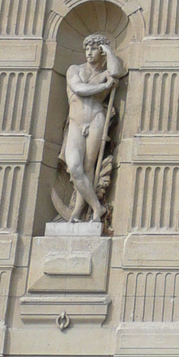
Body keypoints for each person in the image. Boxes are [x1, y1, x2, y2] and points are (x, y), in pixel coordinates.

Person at [57, 34, 126, 223]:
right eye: (86, 48)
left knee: (88, 168)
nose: (89, 52)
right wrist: (104, 86)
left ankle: (78, 214)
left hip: (96, 119)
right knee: (75, 168)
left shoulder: (105, 72)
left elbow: (116, 71)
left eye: (94, 48)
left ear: (101, 52)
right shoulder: (75, 70)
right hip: (76, 123)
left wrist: (109, 51)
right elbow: (78, 89)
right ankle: (98, 207)